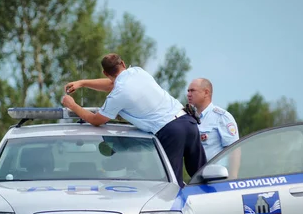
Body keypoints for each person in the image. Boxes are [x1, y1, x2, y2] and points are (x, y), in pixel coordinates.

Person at [61, 53, 206, 187]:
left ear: (105, 73)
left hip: (171, 131)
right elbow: (113, 84)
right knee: (203, 177)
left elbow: (96, 120)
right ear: (123, 64)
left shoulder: (117, 95)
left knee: (170, 186)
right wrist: (82, 83)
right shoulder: (138, 72)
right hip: (188, 121)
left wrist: (72, 105)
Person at [186, 78, 240, 177]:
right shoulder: (188, 118)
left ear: (206, 93)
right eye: (188, 91)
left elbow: (234, 150)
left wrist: (232, 178)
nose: (188, 94)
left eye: (192, 90)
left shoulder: (221, 117)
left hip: (217, 179)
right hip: (197, 180)